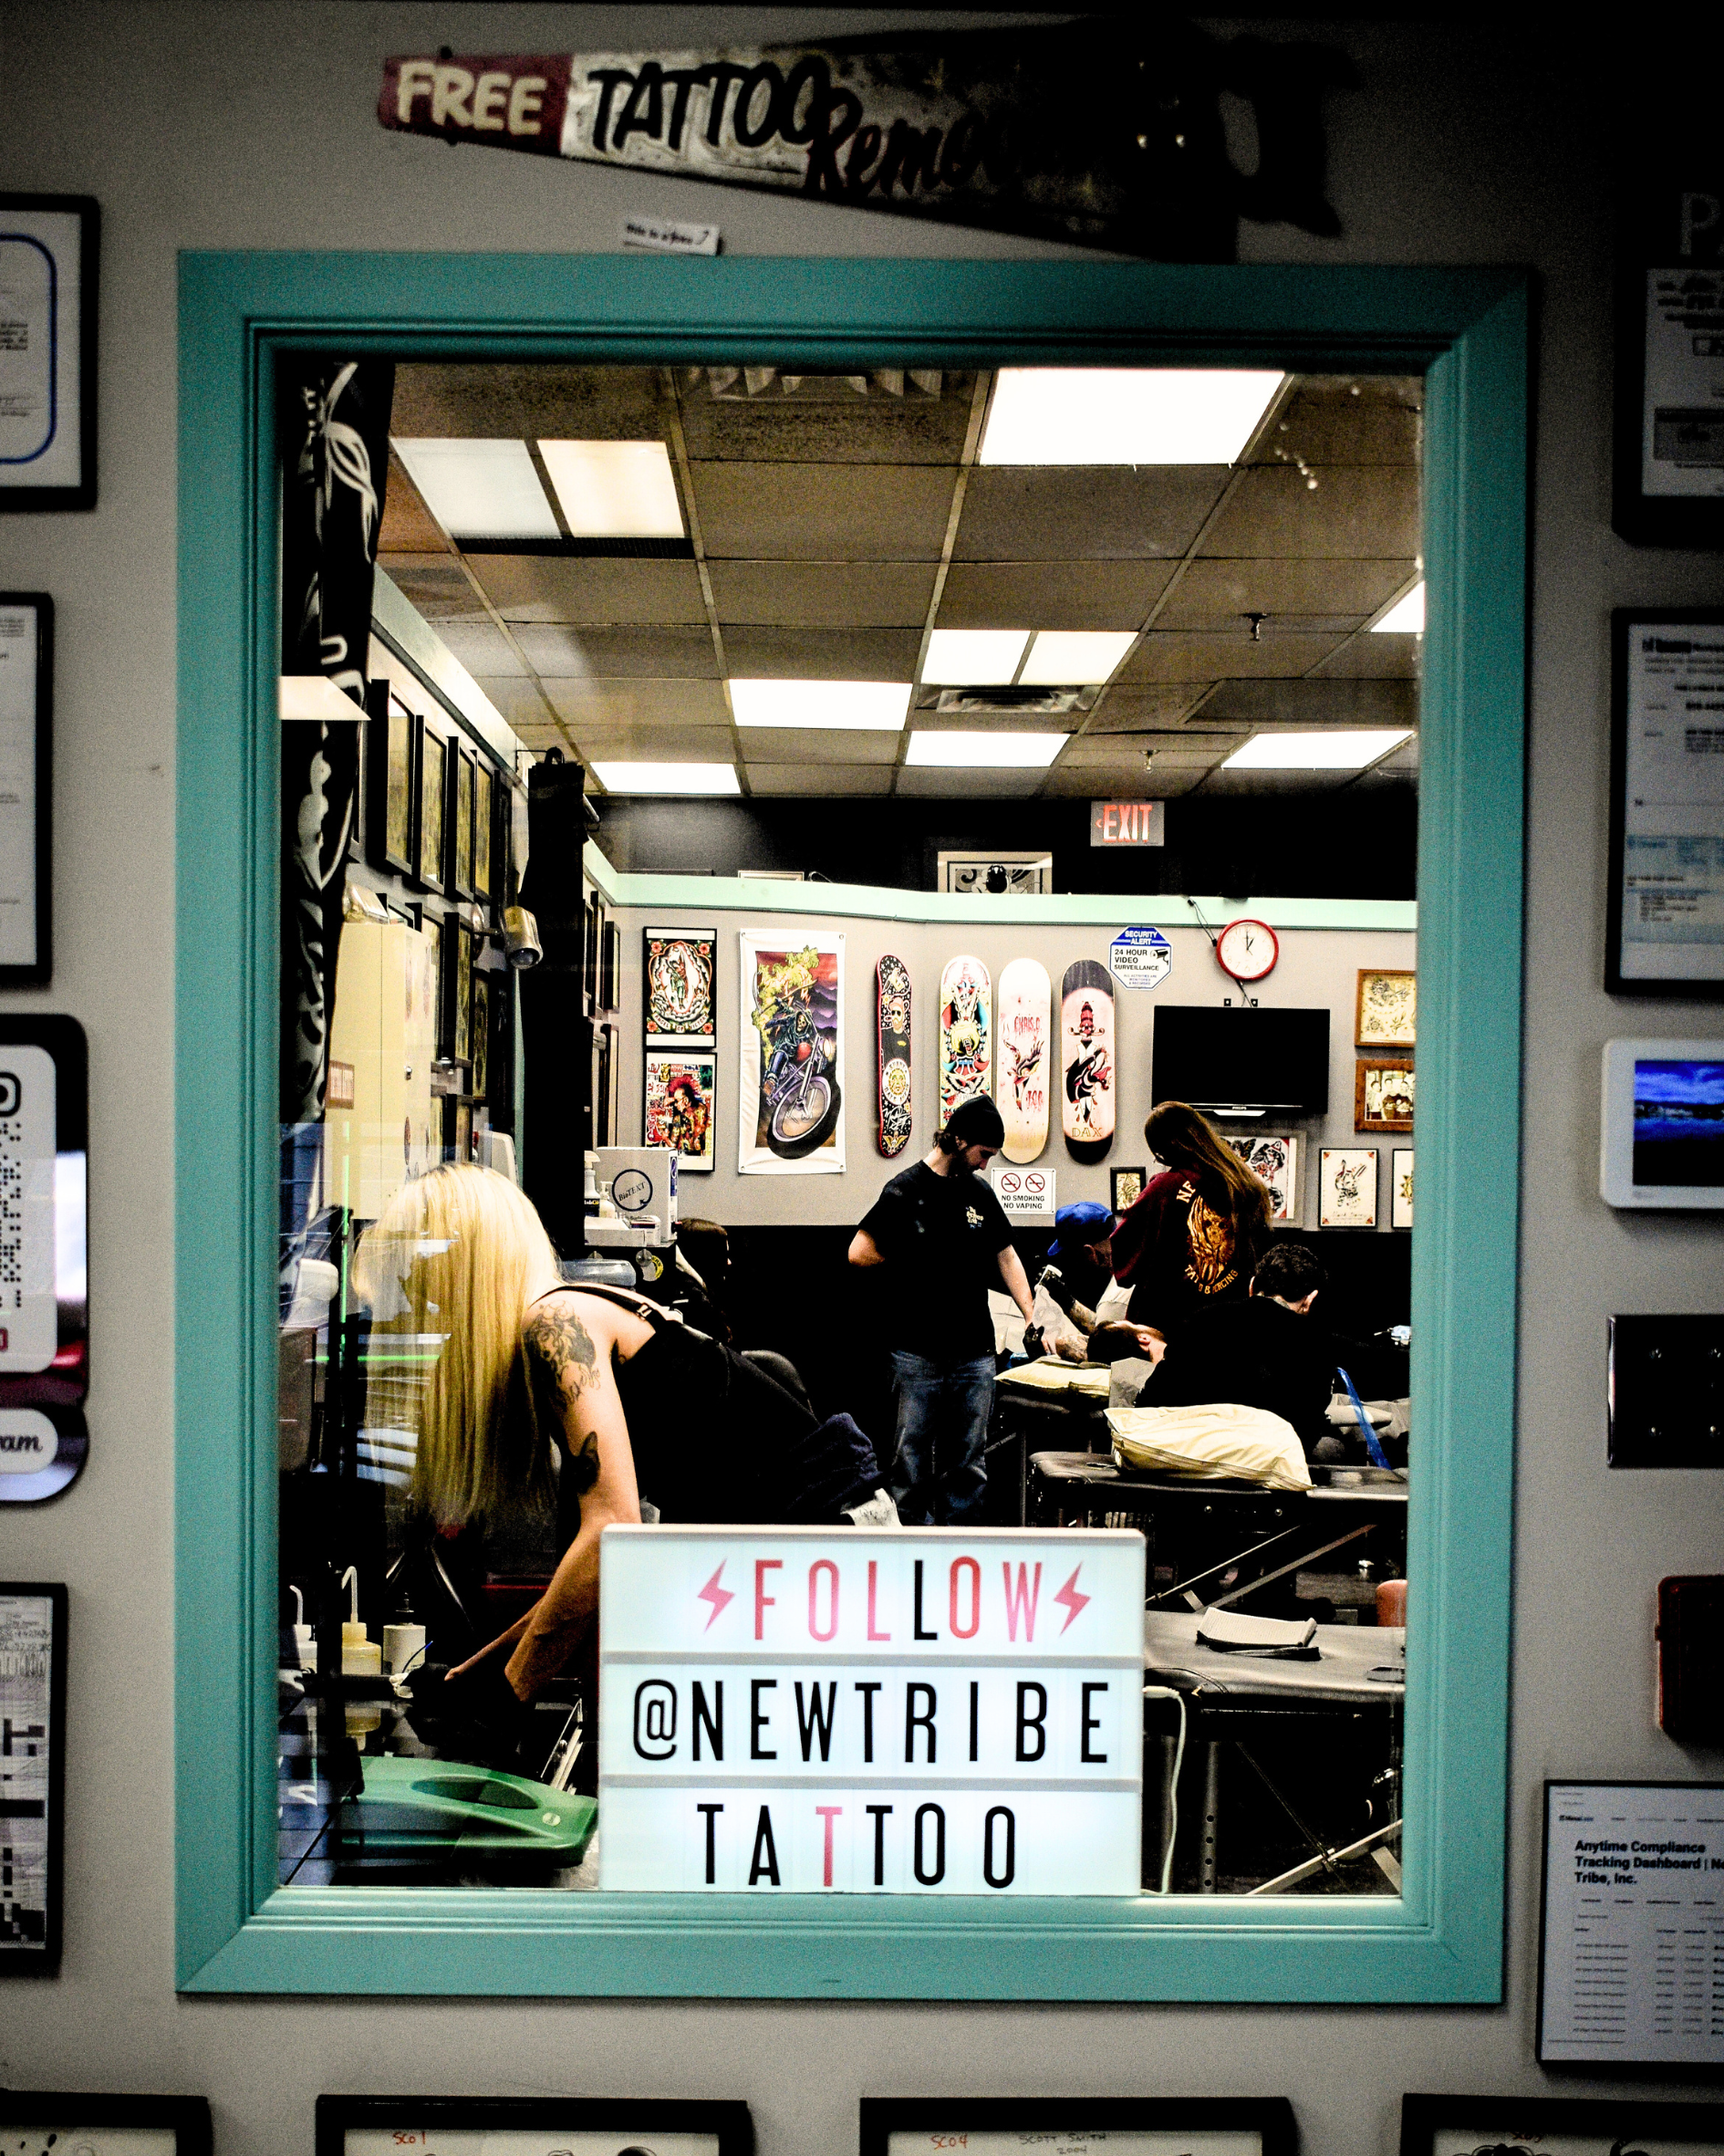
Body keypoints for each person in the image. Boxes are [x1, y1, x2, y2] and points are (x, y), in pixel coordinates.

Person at [356, 1163, 888, 1707]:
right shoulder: (573, 1312)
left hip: (825, 1543)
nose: (413, 1305)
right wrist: (475, 1675)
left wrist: (505, 1701)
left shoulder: (555, 1322)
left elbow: (610, 1531)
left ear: (455, 1270)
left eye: (415, 1283)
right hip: (800, 1540)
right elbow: (598, 1568)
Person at [848, 1093, 1036, 1525]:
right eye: (983, 1153)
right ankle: (908, 1544)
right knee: (909, 1460)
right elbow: (858, 1252)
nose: (985, 1164)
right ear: (959, 1140)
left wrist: (1031, 1314)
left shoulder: (979, 1192)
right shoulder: (904, 1190)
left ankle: (961, 1544)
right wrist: (911, 1259)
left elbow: (1006, 1255)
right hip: (917, 1351)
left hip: (974, 1351)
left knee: (968, 1461)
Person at [1130, 1243, 1342, 1453]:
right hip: (1266, 1465)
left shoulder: (1200, 1320)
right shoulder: (1319, 1344)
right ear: (1309, 1300)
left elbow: (1150, 1403)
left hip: (1188, 1458)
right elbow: (1306, 1434)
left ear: (1252, 1286)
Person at [1109, 1099, 1273, 1333]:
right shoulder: (1245, 1185)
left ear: (1165, 1148)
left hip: (1168, 1324)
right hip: (1229, 1323)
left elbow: (1124, 1252)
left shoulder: (1164, 1189)